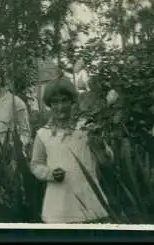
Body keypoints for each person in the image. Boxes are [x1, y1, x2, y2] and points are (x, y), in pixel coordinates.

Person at [29, 75, 113, 224]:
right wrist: (50, 174)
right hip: (58, 204)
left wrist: (99, 145)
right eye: (55, 102)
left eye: (64, 101)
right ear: (49, 104)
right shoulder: (43, 133)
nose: (60, 107)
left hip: (89, 201)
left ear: (72, 101)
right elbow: (36, 164)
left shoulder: (86, 127)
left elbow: (107, 161)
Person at [0, 63, 32, 164]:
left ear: (2, 79)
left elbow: (26, 133)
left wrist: (15, 149)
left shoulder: (15, 102)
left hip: (11, 158)